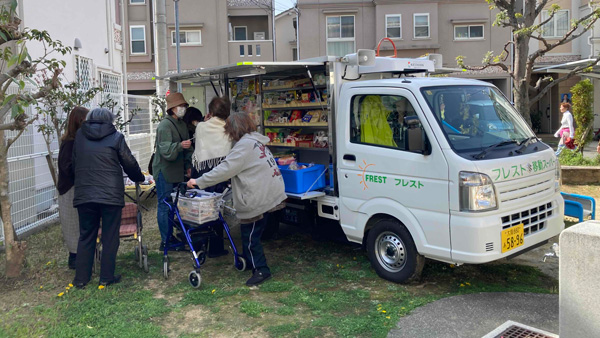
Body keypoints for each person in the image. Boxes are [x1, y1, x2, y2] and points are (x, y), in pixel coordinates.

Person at [187, 113, 286, 286]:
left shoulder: (244, 146)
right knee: (252, 233)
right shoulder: (255, 141)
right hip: (271, 191)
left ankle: (261, 269)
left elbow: (224, 169)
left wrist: (198, 181)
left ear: (233, 130)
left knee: (250, 235)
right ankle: (251, 261)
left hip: (259, 196)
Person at [71, 108, 145, 288]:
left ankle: (81, 279)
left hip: (85, 193)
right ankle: (106, 277)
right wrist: (139, 177)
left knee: (86, 235)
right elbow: (128, 162)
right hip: (110, 195)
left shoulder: (80, 136)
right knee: (110, 236)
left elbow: (74, 163)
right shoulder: (116, 137)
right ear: (110, 120)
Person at [152, 92, 194, 251]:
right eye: (180, 106)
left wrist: (189, 164)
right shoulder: (165, 125)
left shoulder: (182, 124)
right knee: (165, 205)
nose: (183, 108)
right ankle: (166, 240)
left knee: (176, 205)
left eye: (184, 106)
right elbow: (165, 151)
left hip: (177, 170)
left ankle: (175, 234)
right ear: (172, 108)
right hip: (165, 171)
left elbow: (188, 147)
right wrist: (179, 146)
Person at [192, 97, 232, 258]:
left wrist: (205, 120)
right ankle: (216, 247)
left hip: (201, 172)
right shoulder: (229, 127)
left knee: (201, 208)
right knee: (217, 209)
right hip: (221, 172)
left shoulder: (201, 127)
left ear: (211, 111)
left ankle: (199, 244)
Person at [57, 106, 89, 270]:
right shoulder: (69, 143)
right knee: (72, 224)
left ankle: (80, 256)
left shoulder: (78, 141)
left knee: (79, 223)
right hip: (69, 188)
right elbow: (67, 168)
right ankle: (74, 258)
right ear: (79, 122)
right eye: (86, 120)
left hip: (78, 187)